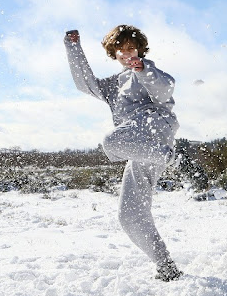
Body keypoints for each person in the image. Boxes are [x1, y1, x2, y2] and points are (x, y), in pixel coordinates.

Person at [64, 25, 182, 281]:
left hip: (155, 130)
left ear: (139, 49)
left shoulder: (147, 70)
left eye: (132, 48)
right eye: (121, 49)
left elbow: (166, 90)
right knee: (129, 214)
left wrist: (142, 69)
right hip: (142, 148)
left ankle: (175, 158)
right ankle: (166, 266)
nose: (127, 53)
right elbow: (86, 84)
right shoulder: (112, 85)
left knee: (111, 141)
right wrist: (73, 47)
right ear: (113, 53)